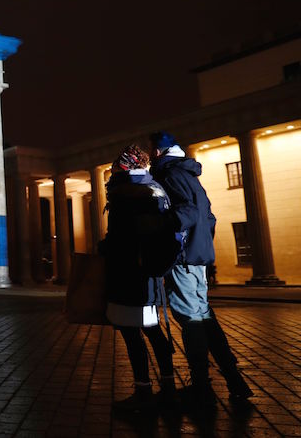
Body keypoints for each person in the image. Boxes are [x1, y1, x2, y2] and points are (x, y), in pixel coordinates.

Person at [148, 131, 253, 403]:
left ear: (159, 151)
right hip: (196, 254)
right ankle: (234, 379)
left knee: (190, 318)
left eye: (152, 150)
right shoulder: (186, 174)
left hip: (183, 258)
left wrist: (161, 226)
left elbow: (189, 212)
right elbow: (208, 215)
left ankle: (201, 386)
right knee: (204, 316)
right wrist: (201, 243)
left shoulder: (170, 175)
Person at [99, 145, 177, 411]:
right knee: (152, 329)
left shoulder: (125, 192)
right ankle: (168, 383)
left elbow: (121, 238)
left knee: (132, 333)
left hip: (127, 273)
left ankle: (143, 390)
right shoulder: (156, 188)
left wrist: (105, 248)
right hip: (151, 274)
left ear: (124, 167)